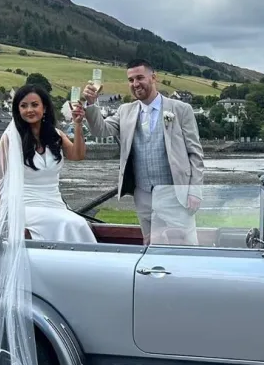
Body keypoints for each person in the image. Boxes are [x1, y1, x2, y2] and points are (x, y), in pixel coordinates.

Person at [81, 58, 204, 245]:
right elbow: (101, 130)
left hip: (176, 194)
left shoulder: (181, 109)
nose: (135, 84)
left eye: (140, 78)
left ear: (153, 77)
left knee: (186, 247)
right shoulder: (125, 111)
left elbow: (195, 154)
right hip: (143, 195)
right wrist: (91, 105)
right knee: (151, 247)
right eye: (131, 80)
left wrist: (194, 191)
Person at [0, 84, 97, 243]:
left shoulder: (56, 135)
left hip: (54, 204)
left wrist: (78, 124)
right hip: (25, 206)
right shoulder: (10, 139)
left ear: (44, 108)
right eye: (23, 106)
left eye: (34, 104)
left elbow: (77, 155)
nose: (29, 110)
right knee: (73, 223)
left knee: (78, 224)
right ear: (18, 110)